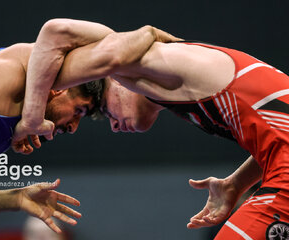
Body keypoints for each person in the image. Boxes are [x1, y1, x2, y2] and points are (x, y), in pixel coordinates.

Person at [19, 19, 289, 239]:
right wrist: (236, 184)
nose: (113, 126)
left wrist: (31, 117)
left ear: (116, 79)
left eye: (103, 110)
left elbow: (54, 31)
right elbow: (277, 137)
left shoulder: (142, 62)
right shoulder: (180, 89)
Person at [0, 19, 117, 239]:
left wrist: (16, 198)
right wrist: (135, 51)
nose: (73, 127)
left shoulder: (7, 130)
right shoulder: (19, 66)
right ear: (61, 90)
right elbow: (57, 31)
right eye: (79, 111)